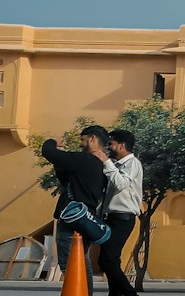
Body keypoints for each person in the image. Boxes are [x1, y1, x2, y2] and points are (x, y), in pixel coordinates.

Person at [42, 123, 110, 296]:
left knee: (70, 262)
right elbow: (67, 178)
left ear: (93, 139)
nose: (81, 144)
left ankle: (79, 292)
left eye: (83, 139)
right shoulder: (101, 166)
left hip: (72, 218)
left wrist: (52, 142)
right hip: (86, 217)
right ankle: (85, 292)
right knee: (81, 259)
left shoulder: (84, 159)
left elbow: (49, 153)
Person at [99, 128, 143, 296]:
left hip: (122, 219)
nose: (108, 147)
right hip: (109, 218)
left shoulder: (132, 164)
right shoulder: (115, 165)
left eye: (111, 144)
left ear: (122, 145)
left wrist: (105, 161)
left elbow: (121, 183)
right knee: (112, 261)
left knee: (106, 261)